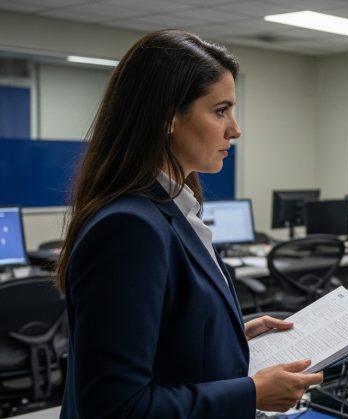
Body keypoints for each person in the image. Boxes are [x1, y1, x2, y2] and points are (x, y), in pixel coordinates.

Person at [56, 30, 322, 418]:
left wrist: (228, 335)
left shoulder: (175, 208)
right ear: (168, 118)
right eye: (220, 111)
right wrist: (250, 394)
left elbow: (164, 340)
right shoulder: (129, 228)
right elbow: (116, 407)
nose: (235, 128)